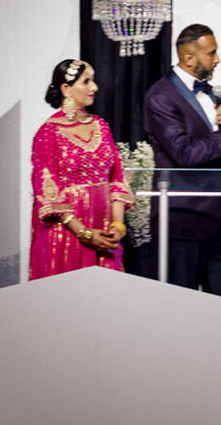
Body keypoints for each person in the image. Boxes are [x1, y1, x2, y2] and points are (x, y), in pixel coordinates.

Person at [142, 23, 221, 295]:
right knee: (183, 313)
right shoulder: (161, 97)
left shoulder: (210, 92)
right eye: (212, 53)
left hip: (219, 219)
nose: (217, 59)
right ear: (188, 57)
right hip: (182, 223)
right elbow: (184, 154)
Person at [28, 58, 133, 280]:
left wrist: (117, 226)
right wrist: (84, 233)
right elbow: (48, 194)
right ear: (66, 89)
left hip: (105, 234)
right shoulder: (48, 133)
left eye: (93, 81)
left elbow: (117, 180)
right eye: (86, 82)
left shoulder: (101, 126)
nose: (94, 87)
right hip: (66, 235)